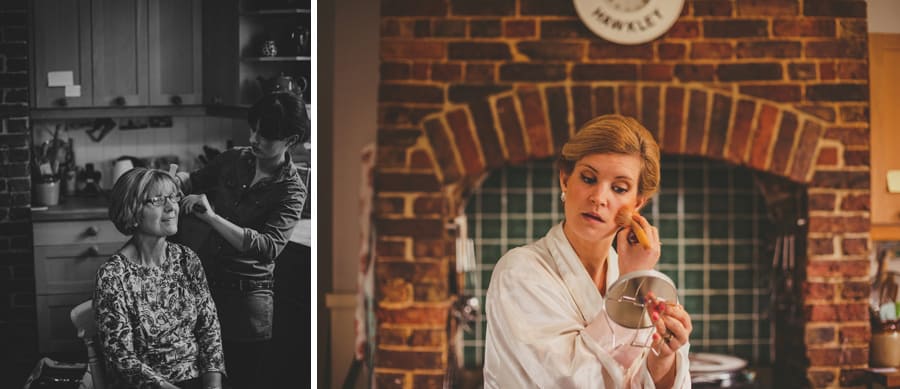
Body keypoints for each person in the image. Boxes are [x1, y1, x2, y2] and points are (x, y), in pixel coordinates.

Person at [483, 114, 693, 388]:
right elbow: (567, 380)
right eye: (588, 178)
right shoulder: (519, 273)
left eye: (619, 188)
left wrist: (663, 359)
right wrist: (631, 287)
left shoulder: (634, 281)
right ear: (565, 179)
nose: (599, 197)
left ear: (637, 204)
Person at [172, 91, 308, 389]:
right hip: (204, 289)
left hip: (246, 303)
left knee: (239, 380)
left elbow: (268, 248)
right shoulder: (233, 159)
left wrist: (212, 217)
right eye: (254, 129)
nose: (255, 138)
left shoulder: (292, 190)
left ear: (292, 140)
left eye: (267, 134)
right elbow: (194, 180)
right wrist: (174, 179)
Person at [94, 168, 225, 389]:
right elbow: (123, 360)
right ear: (132, 210)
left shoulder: (187, 259)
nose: (172, 206)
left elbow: (209, 330)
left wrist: (213, 385)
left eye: (173, 197)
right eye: (157, 200)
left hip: (198, 380)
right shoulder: (112, 275)